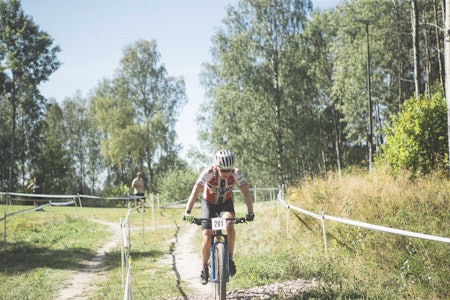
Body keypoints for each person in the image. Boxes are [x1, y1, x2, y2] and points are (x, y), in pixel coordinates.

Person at [184, 149, 254, 285]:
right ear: (216, 166)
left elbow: (246, 192)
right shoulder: (208, 173)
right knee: (207, 236)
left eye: (229, 170)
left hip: (225, 204)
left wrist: (250, 212)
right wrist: (188, 212)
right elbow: (195, 192)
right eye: (223, 171)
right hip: (208, 204)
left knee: (229, 223)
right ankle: (204, 267)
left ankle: (229, 258)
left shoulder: (236, 173)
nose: (227, 174)